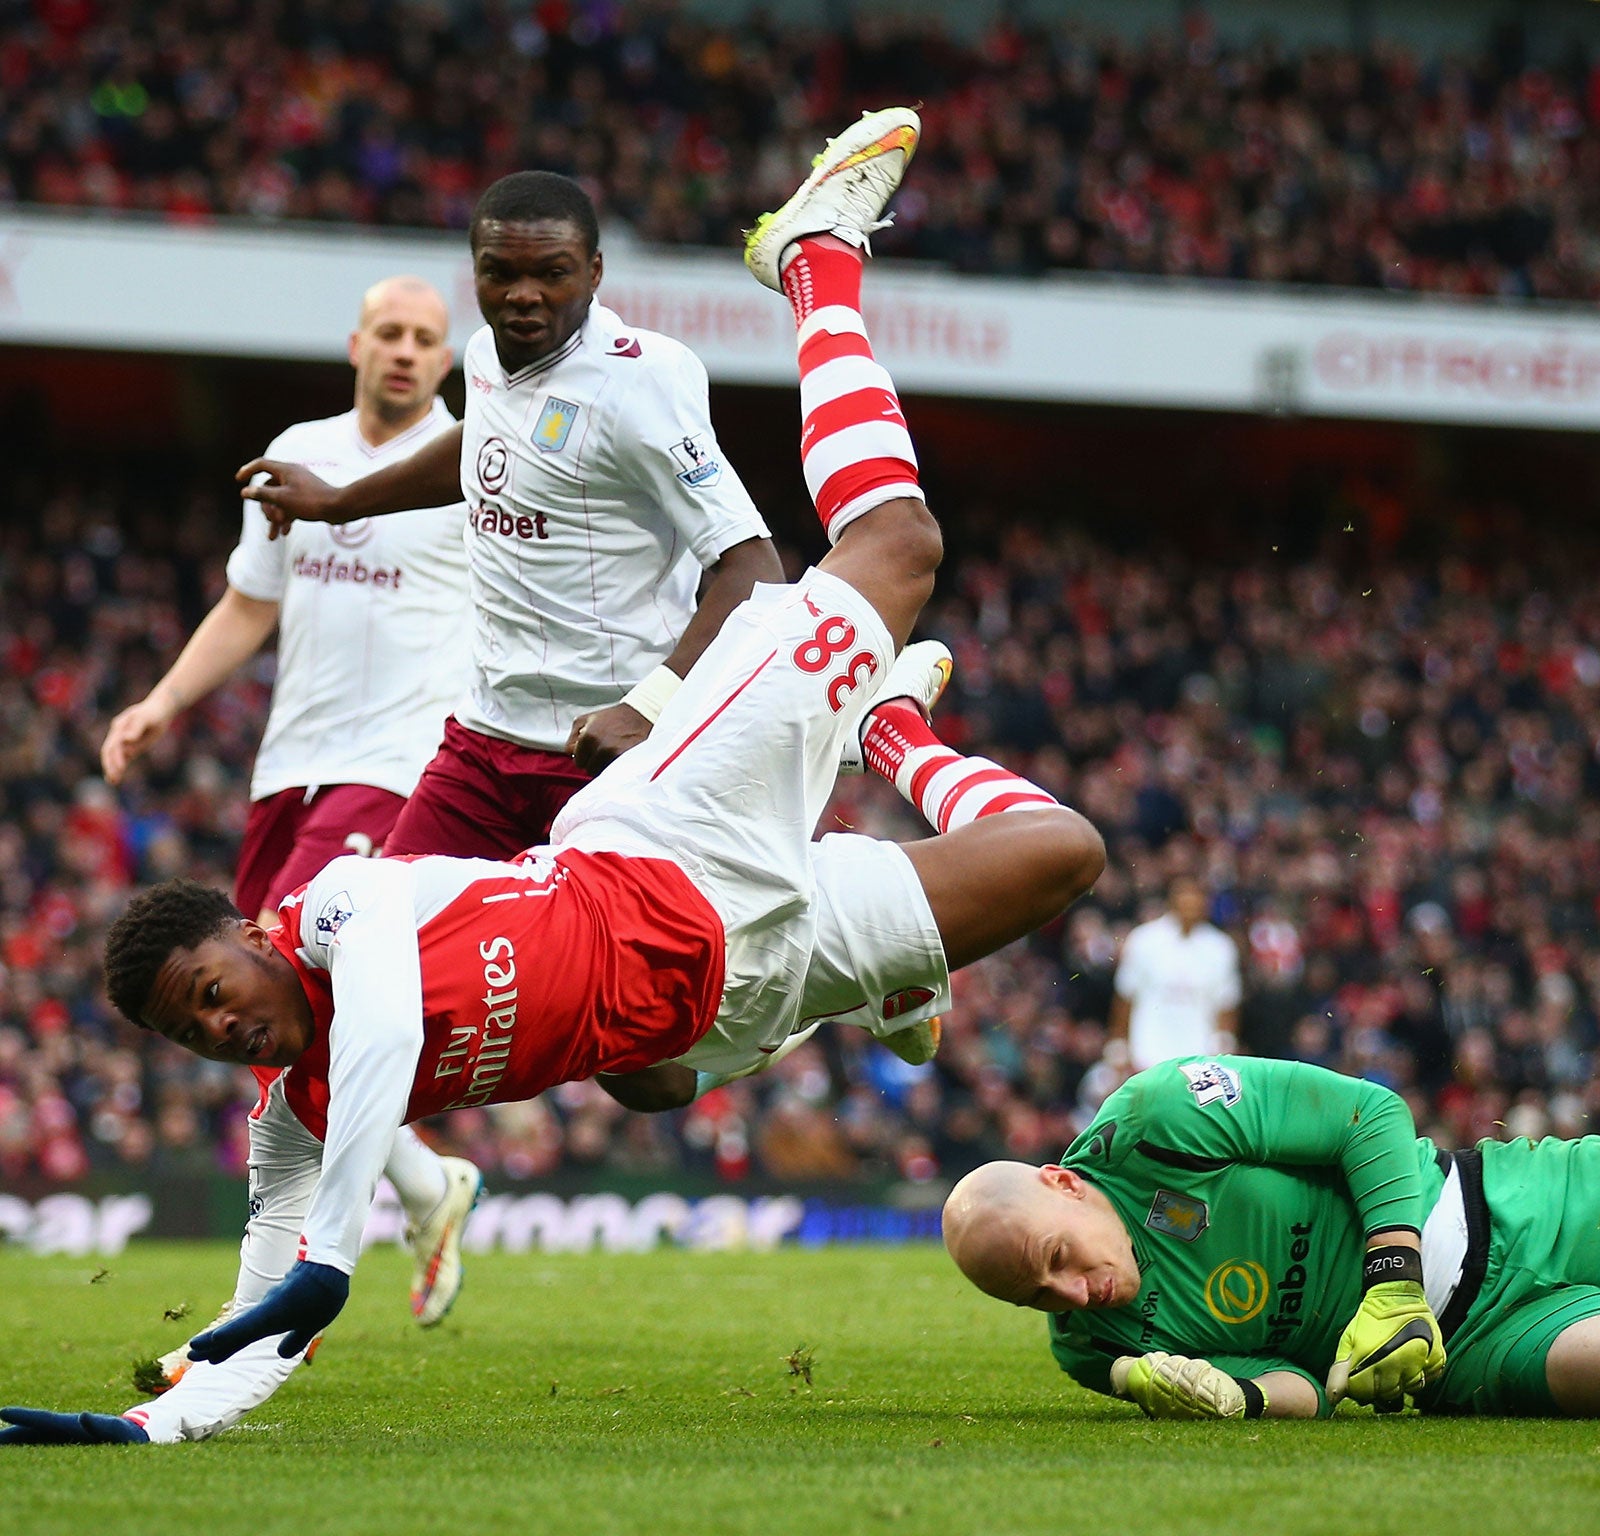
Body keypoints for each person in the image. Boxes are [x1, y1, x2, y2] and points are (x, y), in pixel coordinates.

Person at [0, 105, 1105, 1448]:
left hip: (662, 830)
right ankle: (896, 753)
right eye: (195, 1034)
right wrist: (157, 1425)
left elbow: (392, 1033)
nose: (221, 1031)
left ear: (251, 935)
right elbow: (261, 1284)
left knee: (896, 545)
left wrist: (333, 1253)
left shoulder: (348, 907)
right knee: (1063, 858)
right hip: (719, 976)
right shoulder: (292, 1110)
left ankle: (817, 261)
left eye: (211, 997)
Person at [101, 276, 481, 1345]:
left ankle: (295, 1286)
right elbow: (251, 602)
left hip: (399, 766)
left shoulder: (466, 464)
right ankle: (418, 1183)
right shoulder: (297, 449)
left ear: (445, 360)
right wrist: (163, 702)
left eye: (424, 339)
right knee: (266, 1011)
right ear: (356, 344)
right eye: (389, 335)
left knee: (288, 992)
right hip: (291, 769)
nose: (405, 352)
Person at [942, 1056, 1600, 1422]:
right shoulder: (1095, 1351)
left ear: (1062, 1182)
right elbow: (1302, 1390)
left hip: (1530, 1197)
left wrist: (1387, 1278)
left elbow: (1369, 1114)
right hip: (1488, 1348)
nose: (1073, 1300)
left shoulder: (1157, 1118)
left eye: (1056, 1262)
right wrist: (1231, 1399)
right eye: (1039, 1303)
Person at [234, 171, 786, 862]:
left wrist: (649, 705)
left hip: (602, 751)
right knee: (382, 927)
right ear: (475, 275)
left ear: (593, 272)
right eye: (500, 274)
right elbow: (487, 438)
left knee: (593, 968)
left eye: (552, 273)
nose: (524, 296)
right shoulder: (486, 356)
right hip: (483, 742)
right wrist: (340, 499)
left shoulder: (639, 384)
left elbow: (753, 566)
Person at [1108, 878, 1241, 1070]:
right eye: (1184, 896)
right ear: (1172, 900)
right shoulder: (1144, 940)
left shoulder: (1220, 947)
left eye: (1196, 897)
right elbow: (1125, 997)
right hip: (1146, 1055)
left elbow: (1227, 1005)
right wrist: (1119, 1047)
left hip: (1199, 1060)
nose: (1190, 904)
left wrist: (1221, 1057)